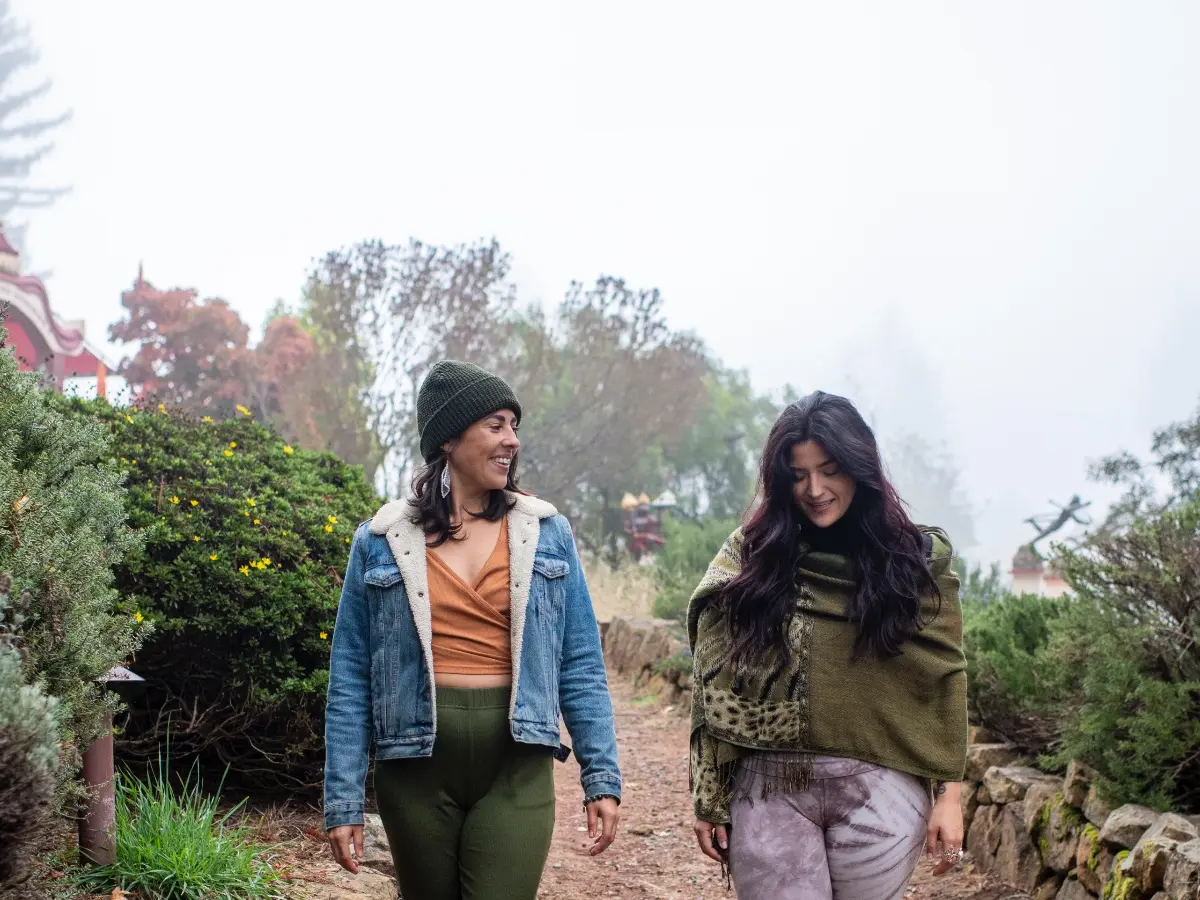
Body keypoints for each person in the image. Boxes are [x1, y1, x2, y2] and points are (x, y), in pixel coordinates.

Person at [323, 360, 622, 899]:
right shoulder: (380, 540)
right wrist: (342, 801)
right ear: (448, 439)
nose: (512, 440)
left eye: (515, 425)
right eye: (496, 425)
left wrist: (601, 776)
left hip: (516, 763)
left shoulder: (548, 533)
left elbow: (579, 663)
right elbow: (350, 677)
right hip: (414, 771)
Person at [687, 391, 967, 900]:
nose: (814, 489)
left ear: (860, 468)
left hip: (881, 789)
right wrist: (710, 795)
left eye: (830, 469)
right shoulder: (750, 559)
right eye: (797, 474)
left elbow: (943, 677)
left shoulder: (916, 563)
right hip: (768, 785)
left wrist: (950, 796)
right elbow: (711, 681)